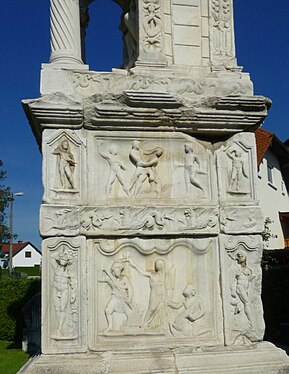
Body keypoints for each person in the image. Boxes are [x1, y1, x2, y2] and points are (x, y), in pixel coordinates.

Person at [126, 258, 166, 330]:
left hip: (162, 295)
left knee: (161, 310)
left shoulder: (164, 276)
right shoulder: (152, 275)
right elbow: (142, 272)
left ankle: (159, 326)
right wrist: (133, 264)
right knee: (151, 309)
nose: (157, 265)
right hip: (154, 295)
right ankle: (144, 324)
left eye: (159, 264)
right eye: (157, 264)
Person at [100, 262, 133, 333]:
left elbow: (130, 288)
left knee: (129, 313)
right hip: (115, 298)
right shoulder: (110, 279)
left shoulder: (124, 278)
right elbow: (99, 279)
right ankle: (110, 326)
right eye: (115, 271)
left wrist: (130, 298)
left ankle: (130, 326)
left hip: (123, 299)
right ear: (113, 272)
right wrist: (102, 271)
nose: (117, 273)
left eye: (119, 270)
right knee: (108, 310)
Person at [52, 246, 77, 338]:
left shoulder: (70, 271)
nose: (63, 260)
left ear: (67, 261)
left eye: (64, 259)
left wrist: (73, 294)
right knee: (56, 308)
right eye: (61, 259)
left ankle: (60, 328)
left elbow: (74, 283)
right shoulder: (55, 267)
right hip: (55, 289)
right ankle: (59, 327)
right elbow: (51, 257)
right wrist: (61, 254)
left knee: (63, 308)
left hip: (65, 290)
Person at [230, 250, 255, 327]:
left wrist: (252, 276)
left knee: (247, 303)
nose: (240, 258)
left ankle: (238, 307)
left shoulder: (248, 269)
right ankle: (250, 321)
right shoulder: (237, 268)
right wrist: (233, 290)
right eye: (239, 256)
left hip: (245, 288)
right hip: (240, 287)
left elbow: (247, 279)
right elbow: (234, 280)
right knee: (247, 303)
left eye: (242, 256)